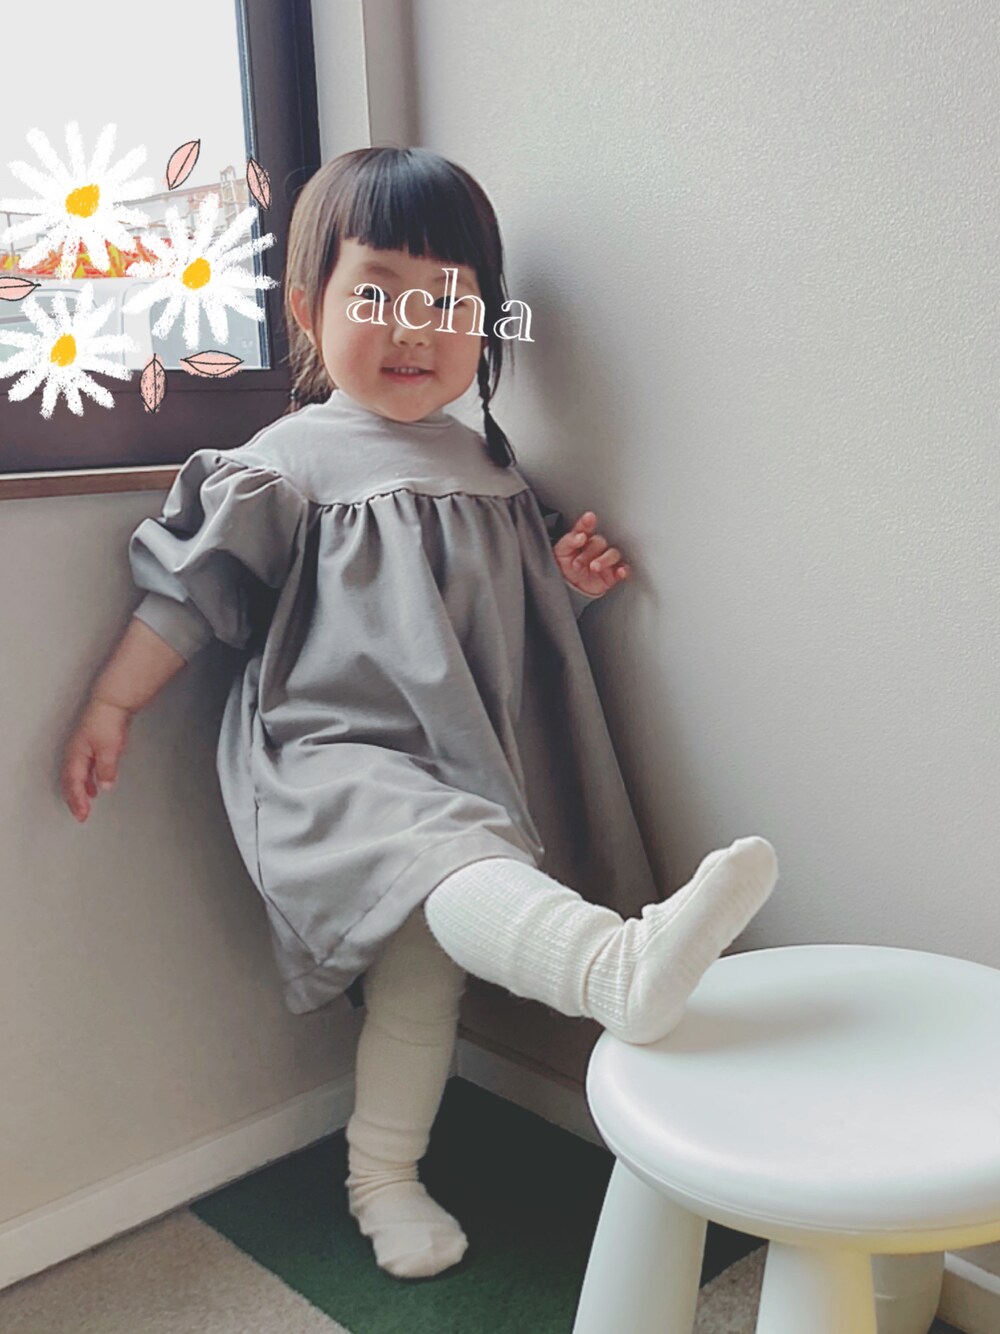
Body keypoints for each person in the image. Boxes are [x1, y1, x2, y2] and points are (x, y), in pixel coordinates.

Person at [60, 146, 778, 1282]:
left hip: (456, 764)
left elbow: (497, 630)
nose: (414, 327)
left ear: (489, 326)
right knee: (442, 879)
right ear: (308, 308)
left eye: (449, 301)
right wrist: (112, 701)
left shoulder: (492, 469)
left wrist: (564, 587)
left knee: (418, 982)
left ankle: (381, 1175)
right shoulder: (288, 459)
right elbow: (192, 596)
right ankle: (611, 968)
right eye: (379, 292)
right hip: (334, 752)